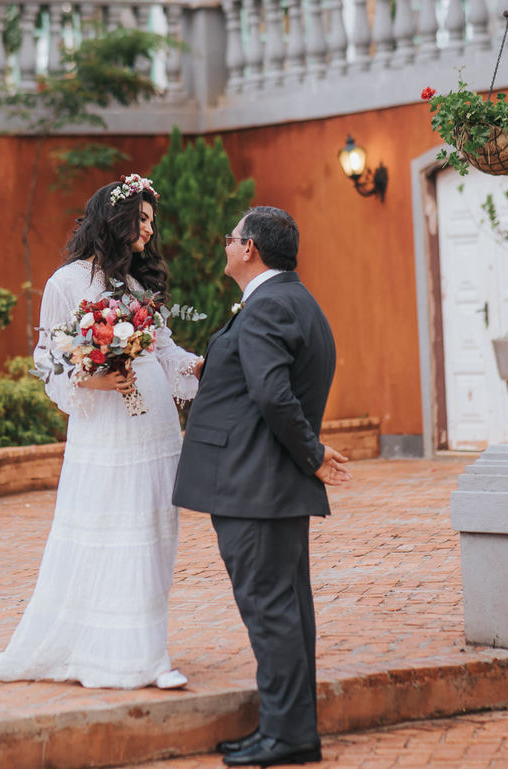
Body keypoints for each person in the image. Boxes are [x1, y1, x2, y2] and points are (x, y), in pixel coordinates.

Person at [0, 174, 203, 690]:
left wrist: (201, 366)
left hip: (155, 430)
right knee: (113, 533)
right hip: (105, 432)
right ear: (116, 220)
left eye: (152, 221)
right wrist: (97, 380)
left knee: (153, 532)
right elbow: (48, 361)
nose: (149, 230)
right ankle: (127, 658)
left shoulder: (140, 285)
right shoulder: (66, 284)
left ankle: (147, 647)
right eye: (142, 219)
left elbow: (164, 350)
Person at [172, 206, 350, 767]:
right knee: (286, 609)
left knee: (271, 611)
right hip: (269, 484)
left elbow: (274, 395)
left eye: (230, 238)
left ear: (249, 248)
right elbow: (265, 386)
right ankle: (285, 727)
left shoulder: (269, 306)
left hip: (254, 485)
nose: (226, 246)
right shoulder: (294, 300)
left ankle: (288, 735)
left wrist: (313, 455)